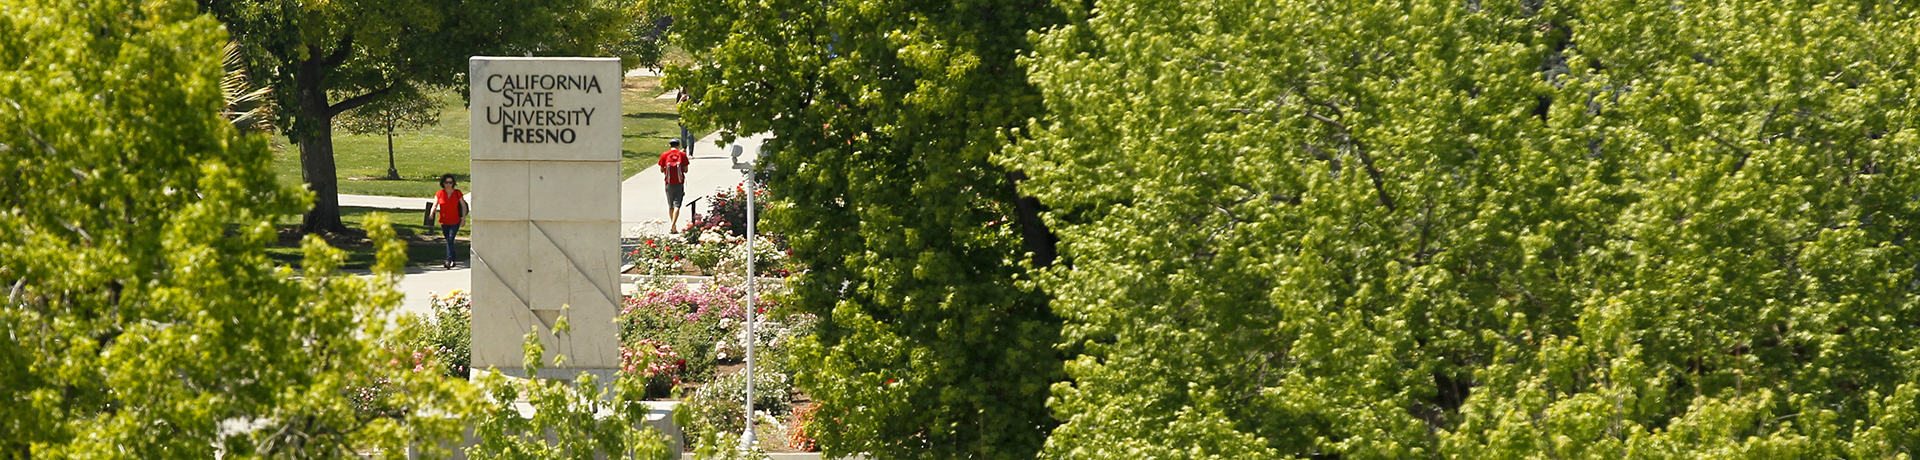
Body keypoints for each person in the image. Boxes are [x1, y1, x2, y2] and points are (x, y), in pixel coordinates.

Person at [430, 174, 469, 269]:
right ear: (443, 183)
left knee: (450, 239)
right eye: (446, 182)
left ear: (453, 183)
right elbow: (435, 204)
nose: (448, 184)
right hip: (444, 221)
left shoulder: (457, 193)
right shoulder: (439, 193)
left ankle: (448, 260)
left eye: (450, 182)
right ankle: (453, 259)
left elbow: (463, 205)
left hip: (455, 220)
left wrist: (463, 218)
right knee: (449, 240)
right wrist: (431, 213)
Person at [659, 139, 690, 233]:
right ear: (678, 145)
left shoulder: (665, 154)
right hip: (679, 183)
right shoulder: (682, 155)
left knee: (671, 205)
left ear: (670, 145)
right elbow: (685, 170)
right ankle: (673, 225)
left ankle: (673, 225)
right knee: (677, 205)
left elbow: (661, 169)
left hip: (668, 183)